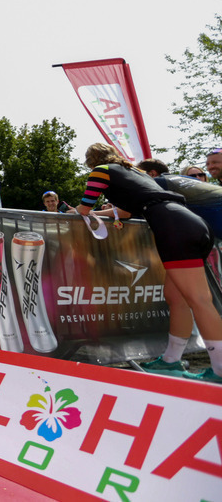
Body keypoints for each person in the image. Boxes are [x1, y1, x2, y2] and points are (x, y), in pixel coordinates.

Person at [76, 143, 222, 383]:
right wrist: (94, 215)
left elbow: (84, 206)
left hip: (173, 228)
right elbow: (123, 213)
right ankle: (170, 360)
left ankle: (219, 369)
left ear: (91, 160)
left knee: (199, 300)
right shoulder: (135, 172)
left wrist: (79, 212)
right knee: (177, 298)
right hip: (190, 223)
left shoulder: (101, 170)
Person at [136, 158, 222, 240]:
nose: (138, 180)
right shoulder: (185, 179)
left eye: (138, 175)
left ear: (151, 174)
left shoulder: (157, 183)